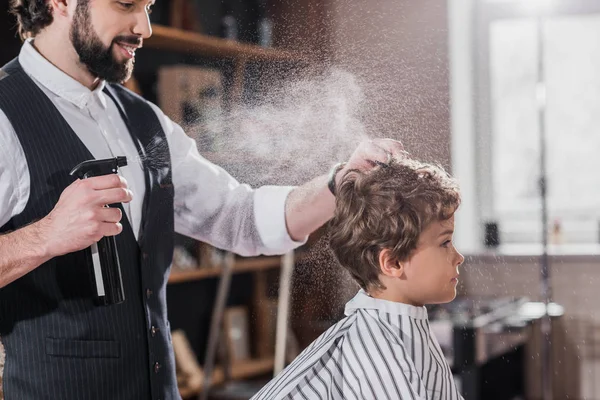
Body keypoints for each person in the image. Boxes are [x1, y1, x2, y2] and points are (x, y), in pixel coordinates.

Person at [0, 0, 405, 398]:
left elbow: (240, 217)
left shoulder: (145, 119)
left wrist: (340, 181)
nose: (144, 28)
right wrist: (47, 235)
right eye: (125, 5)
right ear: (60, 3)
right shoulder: (5, 115)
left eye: (148, 7)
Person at [252, 158, 465, 400]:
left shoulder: (398, 328)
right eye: (445, 243)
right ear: (393, 262)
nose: (459, 257)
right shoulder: (381, 353)